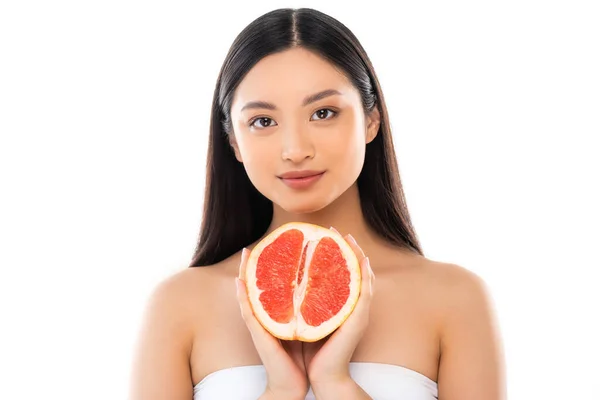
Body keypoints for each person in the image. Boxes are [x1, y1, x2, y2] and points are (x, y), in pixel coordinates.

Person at [129, 7, 505, 400]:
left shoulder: (456, 300)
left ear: (371, 119)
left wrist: (335, 383)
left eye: (323, 113)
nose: (295, 150)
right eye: (262, 121)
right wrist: (281, 389)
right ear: (234, 142)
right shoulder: (179, 306)